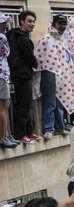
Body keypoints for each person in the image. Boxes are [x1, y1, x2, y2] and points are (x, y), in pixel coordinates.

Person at [8, 9, 39, 144]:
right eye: (29, 21)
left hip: (23, 74)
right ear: (21, 22)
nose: (32, 24)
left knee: (27, 104)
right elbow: (29, 57)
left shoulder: (22, 36)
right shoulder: (21, 38)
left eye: (33, 22)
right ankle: (20, 135)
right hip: (21, 75)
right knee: (22, 104)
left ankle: (28, 132)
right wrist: (36, 64)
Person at [0, 13, 15, 149]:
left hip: (3, 74)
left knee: (6, 105)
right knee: (3, 107)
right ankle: (3, 137)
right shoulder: (2, 37)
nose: (6, 25)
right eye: (4, 22)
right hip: (1, 74)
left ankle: (7, 134)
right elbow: (7, 52)